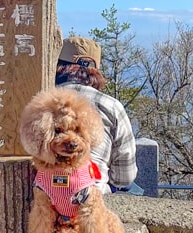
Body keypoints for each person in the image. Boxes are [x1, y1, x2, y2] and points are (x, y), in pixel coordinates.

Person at [54, 36, 142, 194]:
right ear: (96, 71)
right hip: (91, 194)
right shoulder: (112, 106)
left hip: (45, 193)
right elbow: (125, 177)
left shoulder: (41, 101)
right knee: (133, 190)